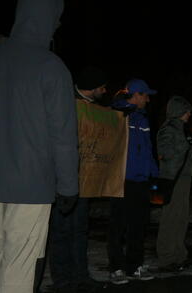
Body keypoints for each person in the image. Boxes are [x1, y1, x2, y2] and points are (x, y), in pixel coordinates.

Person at [0, 1, 79, 292]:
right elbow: (64, 137)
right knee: (18, 265)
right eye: (56, 19)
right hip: (31, 188)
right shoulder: (51, 67)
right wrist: (69, 186)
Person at [48, 66, 108, 293]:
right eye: (102, 86)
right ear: (92, 86)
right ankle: (62, 280)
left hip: (85, 182)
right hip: (63, 183)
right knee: (62, 231)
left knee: (80, 230)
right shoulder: (66, 103)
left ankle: (80, 276)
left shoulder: (93, 109)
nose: (105, 90)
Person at [108, 79, 159, 284]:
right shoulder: (119, 115)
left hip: (140, 181)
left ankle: (135, 265)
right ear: (136, 95)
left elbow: (147, 149)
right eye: (145, 95)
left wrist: (154, 174)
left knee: (139, 225)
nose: (148, 99)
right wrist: (123, 107)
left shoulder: (143, 118)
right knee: (118, 226)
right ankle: (116, 268)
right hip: (121, 179)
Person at [156, 96, 192, 272]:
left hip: (184, 179)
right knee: (170, 218)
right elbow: (166, 156)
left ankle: (179, 255)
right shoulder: (168, 130)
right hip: (172, 180)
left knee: (181, 219)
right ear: (178, 111)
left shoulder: (182, 131)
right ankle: (166, 257)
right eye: (187, 111)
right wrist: (186, 149)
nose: (189, 114)